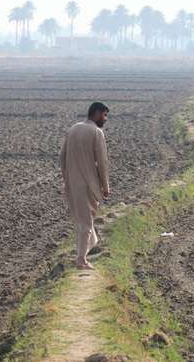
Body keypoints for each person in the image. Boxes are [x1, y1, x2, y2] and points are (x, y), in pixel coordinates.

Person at [60, 101, 110, 270]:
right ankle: (81, 260)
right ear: (96, 113)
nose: (105, 119)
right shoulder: (96, 132)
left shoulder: (73, 129)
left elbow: (62, 157)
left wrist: (67, 177)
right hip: (88, 184)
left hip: (72, 183)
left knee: (82, 220)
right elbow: (102, 162)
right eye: (104, 115)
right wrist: (105, 186)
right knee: (86, 223)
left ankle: (83, 253)